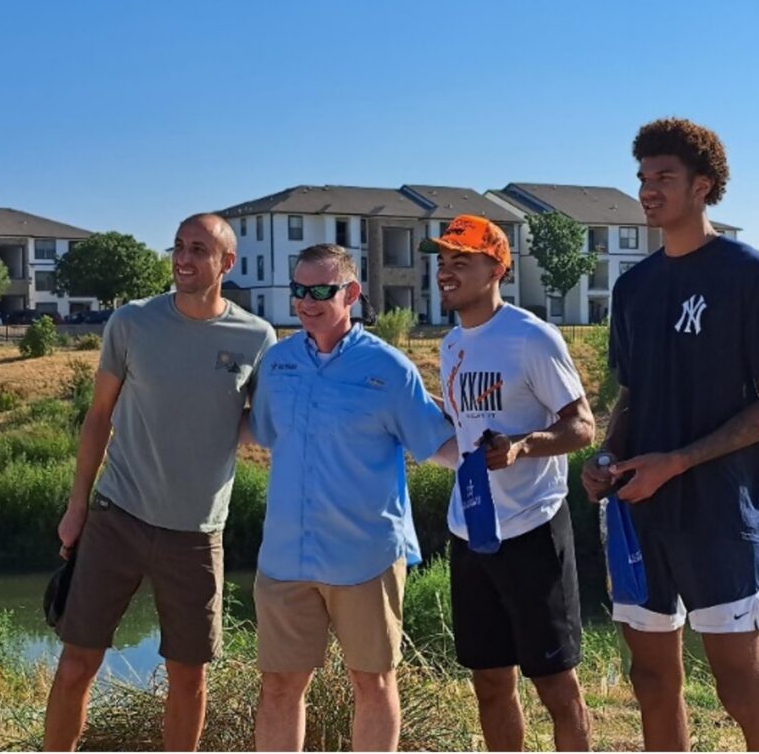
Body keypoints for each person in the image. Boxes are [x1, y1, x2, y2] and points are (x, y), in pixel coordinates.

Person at [582, 117, 759, 751]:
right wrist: (607, 454)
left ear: (703, 186)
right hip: (640, 513)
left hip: (717, 513)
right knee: (651, 678)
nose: (649, 190)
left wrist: (677, 461)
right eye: (643, 178)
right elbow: (633, 394)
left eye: (665, 178)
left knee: (739, 685)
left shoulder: (747, 275)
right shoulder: (632, 288)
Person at [44, 213, 276, 751]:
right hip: (116, 517)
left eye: (198, 249)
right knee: (78, 661)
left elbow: (260, 422)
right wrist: (77, 506)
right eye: (178, 247)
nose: (183, 259)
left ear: (227, 263)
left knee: (189, 677)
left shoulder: (256, 337)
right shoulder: (132, 322)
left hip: (197, 533)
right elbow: (99, 416)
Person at [248, 244, 456, 752]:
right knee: (279, 687)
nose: (306, 301)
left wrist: (516, 449)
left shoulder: (389, 369)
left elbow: (440, 446)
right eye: (298, 290)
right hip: (285, 557)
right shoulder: (275, 363)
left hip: (366, 557)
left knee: (373, 683)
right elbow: (257, 432)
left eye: (320, 290)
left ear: (352, 294)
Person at [421, 215, 596, 751]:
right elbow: (464, 427)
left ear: (497, 268)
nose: (446, 272)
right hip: (471, 529)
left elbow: (583, 426)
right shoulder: (451, 344)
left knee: (556, 686)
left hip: (532, 529)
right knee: (490, 683)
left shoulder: (530, 338)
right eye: (443, 261)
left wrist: (522, 446)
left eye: (462, 261)